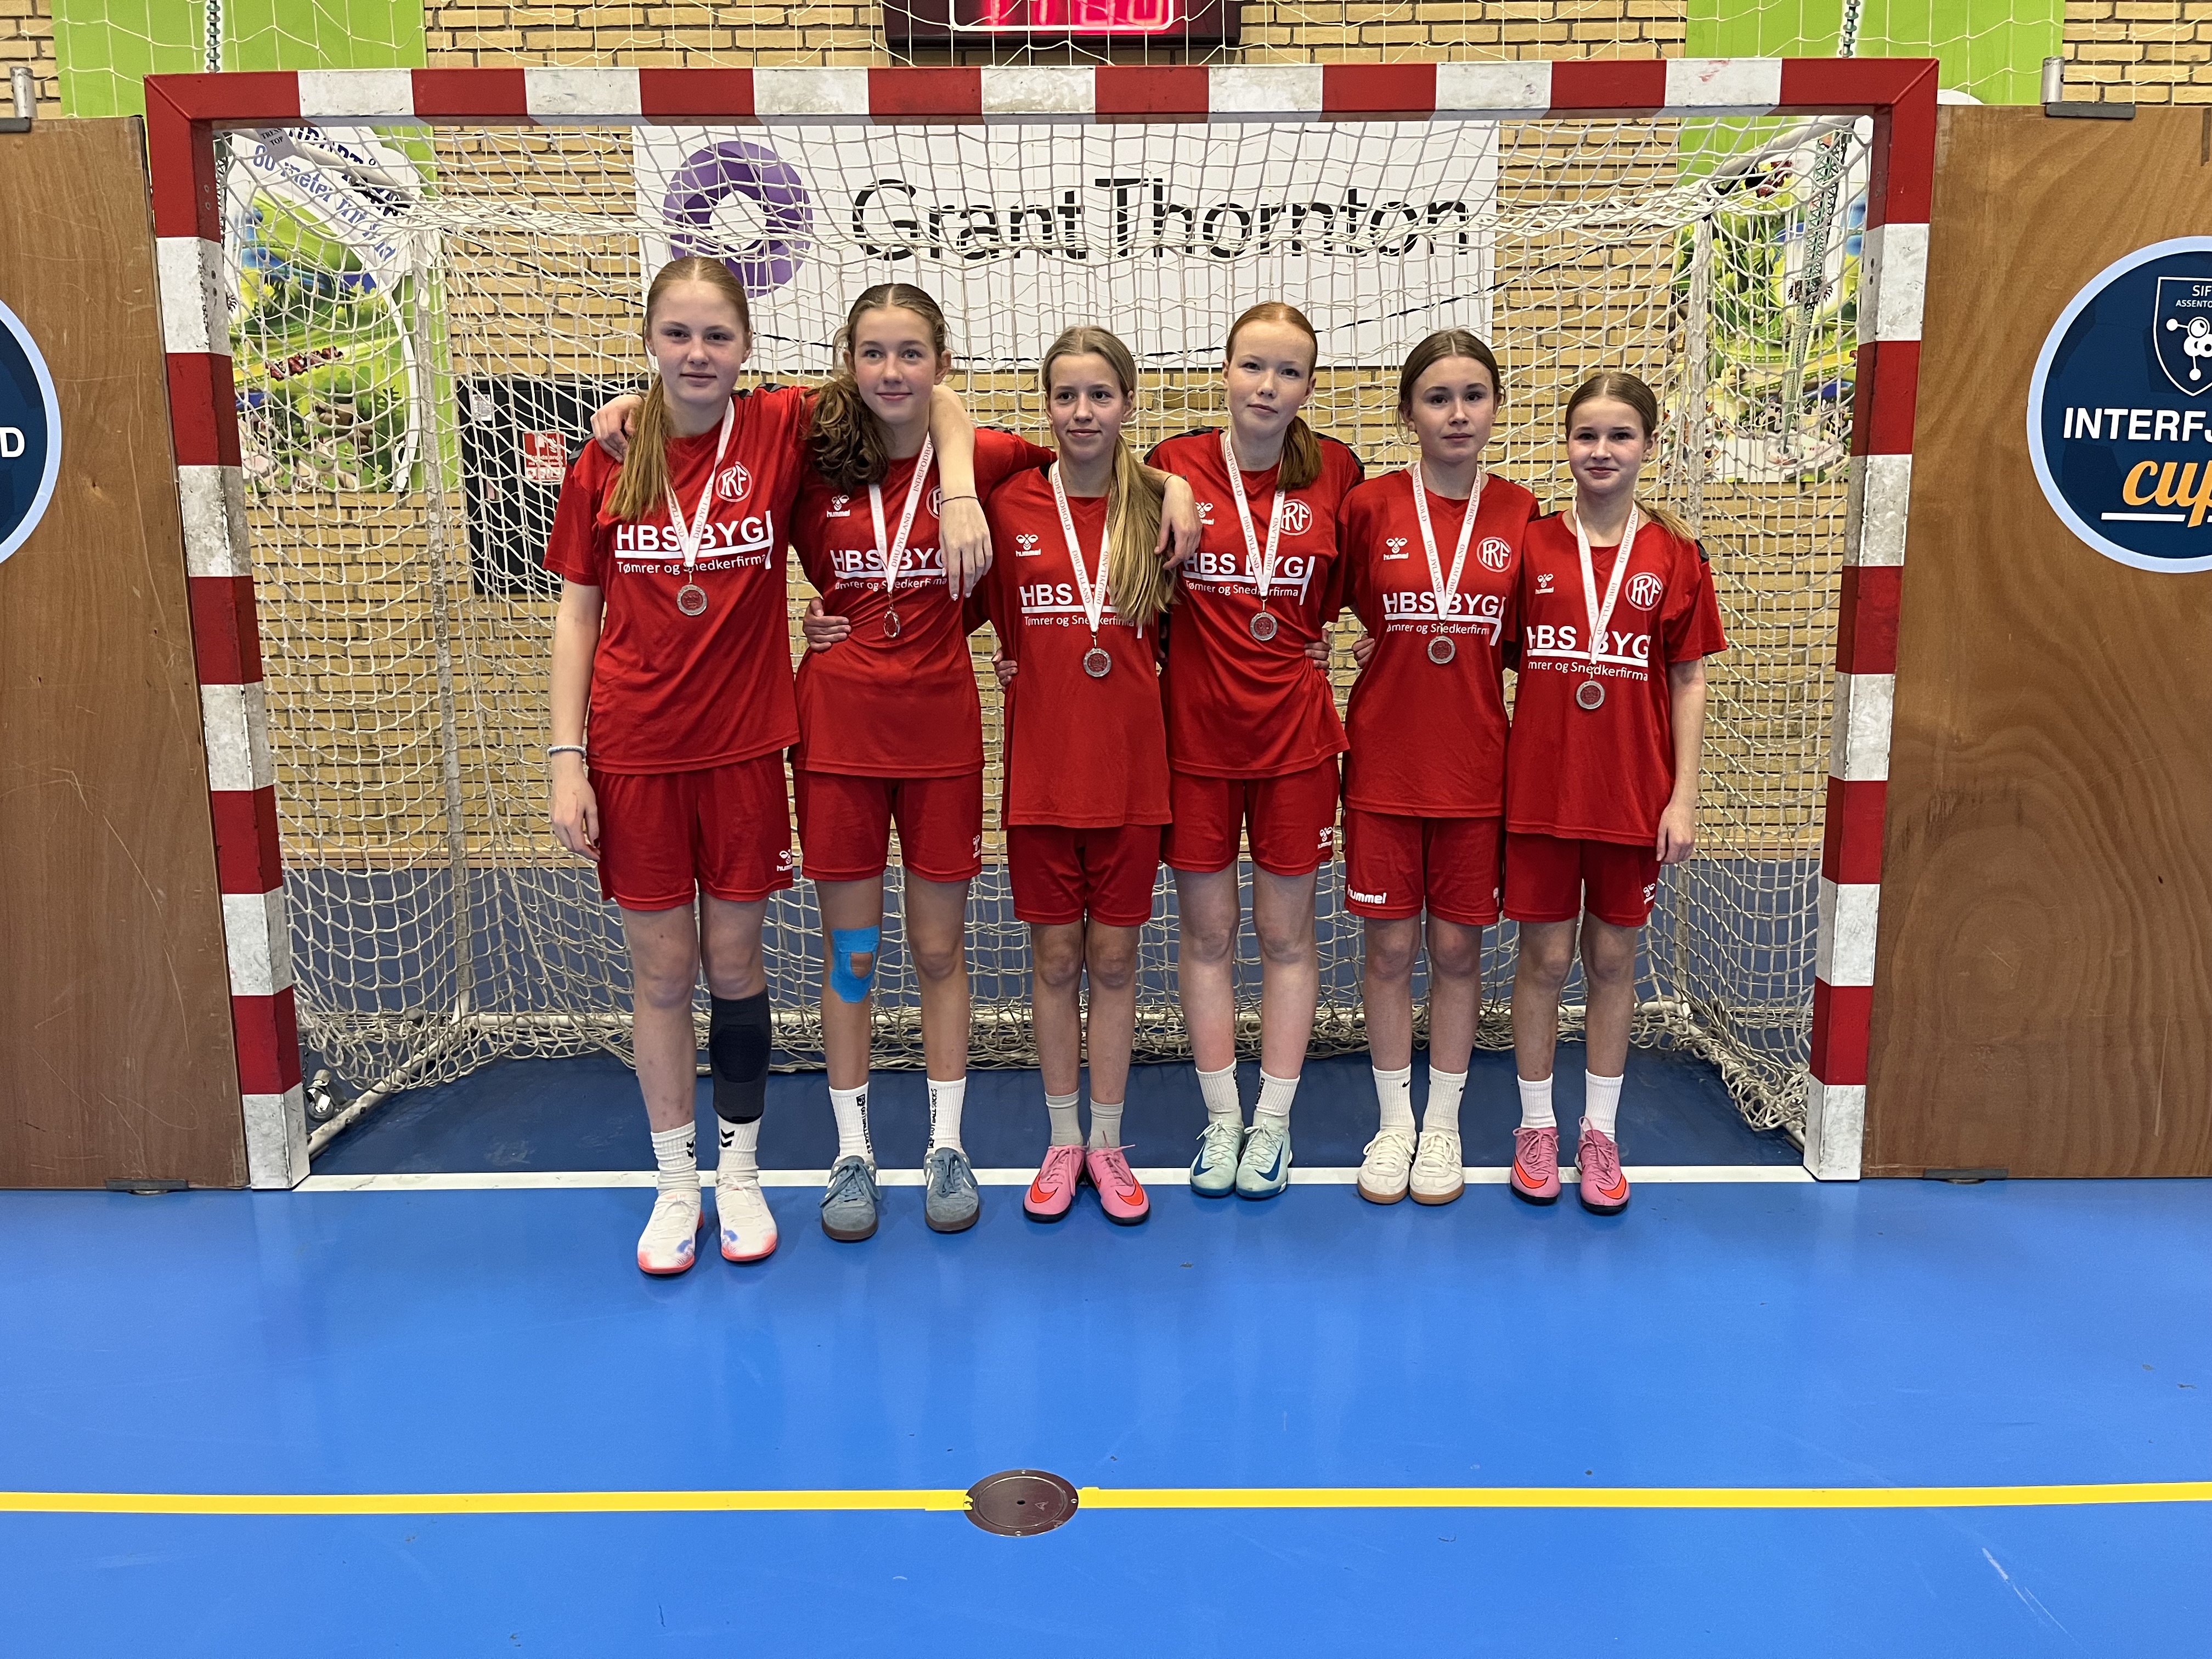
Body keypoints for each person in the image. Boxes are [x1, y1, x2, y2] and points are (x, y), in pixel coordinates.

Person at [567, 263, 992, 1273]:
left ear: (748, 348)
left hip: (759, 746)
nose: (697, 353)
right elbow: (577, 611)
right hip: (653, 748)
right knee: (671, 974)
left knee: (744, 967)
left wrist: (963, 491)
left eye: (716, 336)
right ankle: (686, 1184)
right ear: (649, 340)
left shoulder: (780, 429)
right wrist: (564, 757)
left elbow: (938, 402)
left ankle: (762, 1171)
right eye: (677, 334)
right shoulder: (611, 456)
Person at [790, 288, 1200, 1242]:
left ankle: (948, 1144)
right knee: (854, 955)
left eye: (913, 354)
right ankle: (852, 1151)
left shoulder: (996, 465)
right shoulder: (814, 459)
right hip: (843, 734)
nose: (893, 371)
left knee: (942, 951)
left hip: (944, 738)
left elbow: (1106, 465)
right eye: (874, 353)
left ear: (943, 363)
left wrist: (1177, 484)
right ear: (848, 359)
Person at [1144, 303, 1365, 1200]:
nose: (1267, 387)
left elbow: (1368, 583)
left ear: (1309, 387)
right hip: (1193, 742)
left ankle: (1271, 1121)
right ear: (1225, 370)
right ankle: (1221, 1118)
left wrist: (1365, 639)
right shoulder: (1174, 462)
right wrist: (1164, 484)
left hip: (1295, 742)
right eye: (1252, 367)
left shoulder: (1338, 472)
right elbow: (1087, 482)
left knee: (1285, 935)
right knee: (1206, 935)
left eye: (1288, 372)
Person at [1502, 370, 1727, 1217]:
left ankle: (1599, 1131)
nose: (1602, 451)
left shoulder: (1674, 555)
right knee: (1544, 960)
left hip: (1633, 795)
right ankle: (1535, 1127)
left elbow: (1689, 678)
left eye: (1620, 436)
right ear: (1567, 444)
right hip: (1542, 793)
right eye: (1587, 435)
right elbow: (1484, 648)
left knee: (1612, 961)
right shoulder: (1531, 545)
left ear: (1649, 447)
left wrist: (1683, 796)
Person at [979, 327, 1175, 1227]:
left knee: (1117, 960)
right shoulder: (1009, 504)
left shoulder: (1160, 503)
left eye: (1101, 395)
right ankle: (1062, 1141)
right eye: (1066, 395)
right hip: (1044, 777)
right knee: (1056, 960)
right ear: (1046, 404)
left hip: (1132, 777)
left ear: (1128, 403)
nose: (1083, 412)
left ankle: (1108, 1141)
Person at [1338, 330, 1537, 1206]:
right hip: (1384, 763)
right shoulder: (1369, 507)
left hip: (1476, 769)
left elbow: (1536, 644)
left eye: (1474, 395)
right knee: (1388, 949)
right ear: (1408, 413)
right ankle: (1394, 1122)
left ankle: (1445, 1124)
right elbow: (1324, 607)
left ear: (1495, 407)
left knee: (1457, 949)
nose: (1458, 414)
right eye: (1438, 397)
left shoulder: (1524, 514)